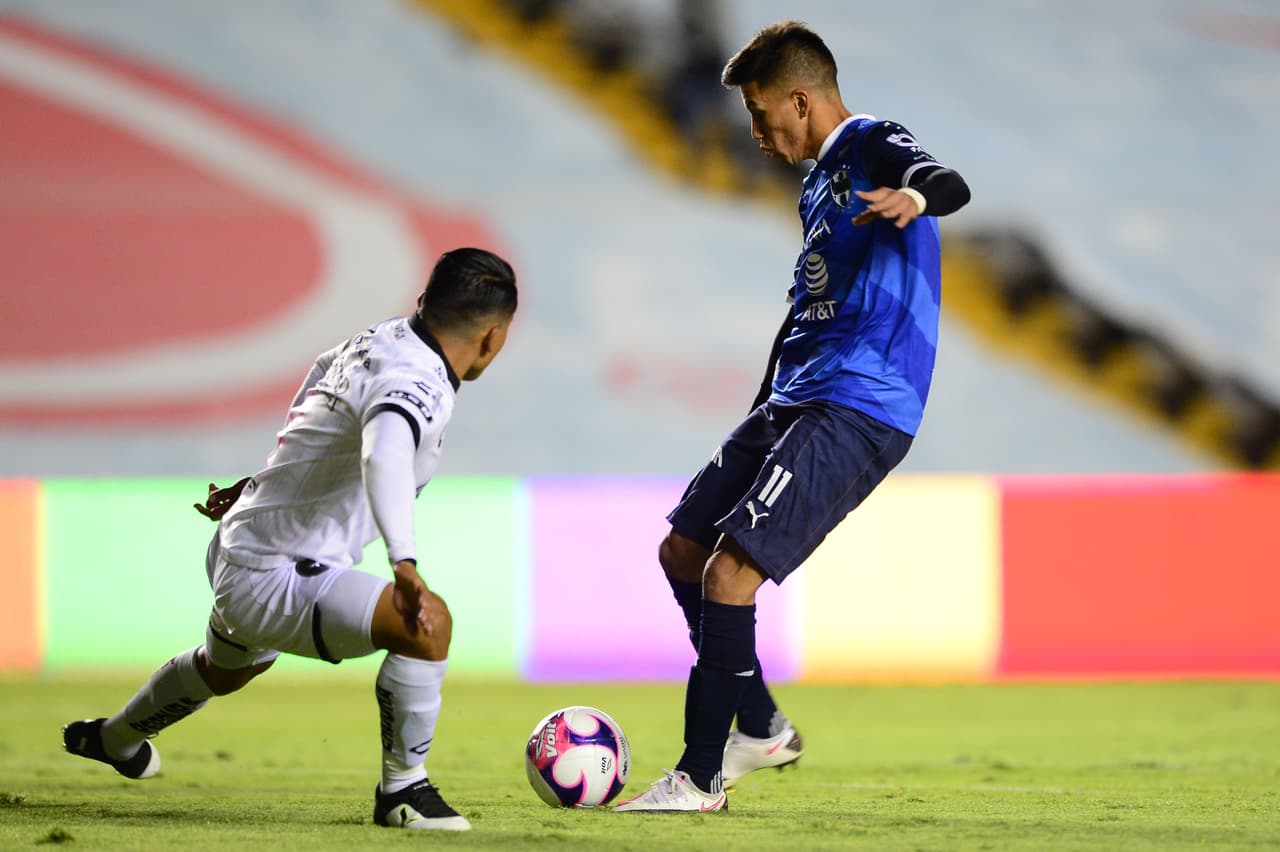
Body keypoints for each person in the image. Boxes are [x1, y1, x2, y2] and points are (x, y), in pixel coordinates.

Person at [613, 21, 970, 813]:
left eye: (759, 109)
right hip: (793, 396)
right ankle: (761, 723)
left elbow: (946, 182)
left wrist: (914, 195)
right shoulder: (816, 187)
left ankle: (700, 778)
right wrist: (758, 410)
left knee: (729, 575)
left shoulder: (872, 141)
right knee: (682, 550)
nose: (755, 131)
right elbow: (806, 307)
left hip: (858, 401)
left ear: (801, 99)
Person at [62, 248, 518, 832]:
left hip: (243, 541)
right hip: (276, 571)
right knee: (427, 624)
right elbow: (384, 453)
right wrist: (403, 562)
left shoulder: (375, 340)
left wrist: (261, 482)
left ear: (424, 300)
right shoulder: (418, 382)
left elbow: (314, 401)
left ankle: (115, 738)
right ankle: (404, 792)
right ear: (493, 338)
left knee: (224, 671)